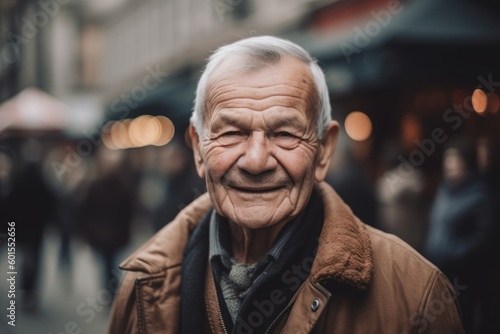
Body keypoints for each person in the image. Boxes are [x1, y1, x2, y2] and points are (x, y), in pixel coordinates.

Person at [108, 36, 463, 334]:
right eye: (232, 133)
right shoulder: (143, 286)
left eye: (284, 133)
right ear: (199, 149)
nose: (256, 161)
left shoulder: (414, 293)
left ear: (323, 151)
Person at [424, 138, 496, 333]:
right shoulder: (444, 190)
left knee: (462, 321)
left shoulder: (480, 193)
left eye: (455, 160)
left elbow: (484, 239)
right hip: (437, 272)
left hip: (463, 277)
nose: (450, 166)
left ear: (467, 163)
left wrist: (452, 254)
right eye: (447, 160)